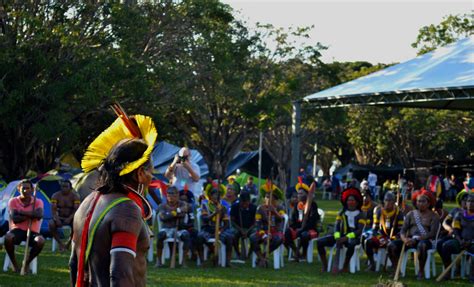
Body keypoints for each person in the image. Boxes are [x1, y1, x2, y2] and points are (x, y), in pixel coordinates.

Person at [70, 113, 157, 287]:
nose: (152, 176)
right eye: (150, 171)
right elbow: (120, 275)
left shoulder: (88, 201)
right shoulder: (127, 210)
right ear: (139, 173)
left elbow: (74, 264)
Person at [317, 187, 365, 273]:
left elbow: (359, 230)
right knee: (320, 242)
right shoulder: (342, 212)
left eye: (352, 200)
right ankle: (325, 265)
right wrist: (337, 236)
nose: (350, 202)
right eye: (348, 200)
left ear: (357, 202)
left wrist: (347, 237)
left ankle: (345, 266)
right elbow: (337, 226)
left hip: (353, 238)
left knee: (351, 243)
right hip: (340, 236)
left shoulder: (360, 214)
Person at [4, 179, 45, 273]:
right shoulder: (13, 201)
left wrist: (21, 212)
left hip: (33, 231)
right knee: (8, 237)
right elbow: (15, 219)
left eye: (28, 188)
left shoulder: (38, 202)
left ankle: (26, 263)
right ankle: (14, 264)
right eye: (23, 188)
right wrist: (32, 214)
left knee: (40, 241)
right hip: (17, 230)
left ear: (32, 190)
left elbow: (39, 215)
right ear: (19, 189)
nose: (26, 190)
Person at [399, 190, 440, 280]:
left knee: (422, 246)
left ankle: (421, 271)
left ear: (429, 203)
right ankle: (396, 270)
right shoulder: (410, 214)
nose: (420, 203)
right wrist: (404, 239)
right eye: (418, 201)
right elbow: (403, 230)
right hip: (409, 241)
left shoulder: (434, 216)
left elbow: (432, 233)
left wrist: (417, 239)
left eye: (423, 201)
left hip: (426, 241)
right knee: (392, 246)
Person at [439, 193, 474, 283]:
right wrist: (460, 241)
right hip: (460, 241)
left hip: (472, 243)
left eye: (473, 202)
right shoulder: (459, 214)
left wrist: (470, 242)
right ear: (465, 203)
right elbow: (456, 230)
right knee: (446, 246)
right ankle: (448, 271)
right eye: (469, 201)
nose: (471, 203)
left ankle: (472, 275)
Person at [196, 183, 234, 267]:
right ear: (210, 196)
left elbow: (227, 223)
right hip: (208, 229)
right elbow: (204, 219)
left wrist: (221, 231)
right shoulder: (205, 205)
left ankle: (228, 262)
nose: (216, 197)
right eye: (214, 195)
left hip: (220, 229)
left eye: (218, 195)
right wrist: (214, 213)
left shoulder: (223, 206)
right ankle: (202, 261)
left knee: (230, 237)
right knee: (199, 237)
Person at [364, 192, 404, 271]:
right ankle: (372, 264)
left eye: (390, 200)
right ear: (384, 201)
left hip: (395, 238)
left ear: (394, 202)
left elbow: (401, 231)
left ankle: (394, 267)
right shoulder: (379, 211)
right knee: (367, 242)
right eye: (386, 200)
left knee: (392, 245)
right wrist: (382, 239)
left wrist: (391, 239)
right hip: (382, 237)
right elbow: (375, 229)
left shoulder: (399, 213)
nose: (388, 202)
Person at [250, 182, 285, 267]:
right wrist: (264, 235)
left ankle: (264, 254)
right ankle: (261, 258)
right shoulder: (260, 208)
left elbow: (282, 219)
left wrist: (274, 211)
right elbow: (257, 223)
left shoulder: (280, 208)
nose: (268, 199)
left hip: (276, 231)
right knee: (252, 238)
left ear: (275, 199)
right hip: (263, 231)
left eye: (270, 197)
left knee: (279, 239)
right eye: (266, 197)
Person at [284, 180, 320, 261]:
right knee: (286, 233)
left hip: (311, 229)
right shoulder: (297, 204)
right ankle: (295, 251)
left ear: (307, 194)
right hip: (299, 228)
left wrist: (302, 228)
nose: (299, 195)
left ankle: (304, 254)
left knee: (304, 234)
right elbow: (294, 219)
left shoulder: (313, 205)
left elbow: (313, 221)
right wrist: (294, 227)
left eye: (301, 193)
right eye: (298, 193)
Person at [156, 186, 191, 267]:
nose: (171, 197)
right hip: (166, 228)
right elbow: (163, 217)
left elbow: (185, 208)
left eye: (173, 195)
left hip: (179, 228)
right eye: (169, 195)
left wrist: (169, 213)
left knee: (186, 235)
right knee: (160, 235)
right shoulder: (162, 206)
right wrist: (176, 212)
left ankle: (183, 262)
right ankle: (159, 261)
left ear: (178, 195)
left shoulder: (182, 203)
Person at [436, 189, 468, 266]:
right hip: (454, 235)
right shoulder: (455, 210)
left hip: (466, 238)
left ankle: (460, 265)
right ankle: (447, 265)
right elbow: (445, 222)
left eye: (469, 200)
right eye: (464, 200)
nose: (466, 202)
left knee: (447, 245)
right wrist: (450, 229)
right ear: (460, 201)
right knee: (440, 244)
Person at [48, 179, 80, 252]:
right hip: (59, 217)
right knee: (51, 224)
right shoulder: (55, 195)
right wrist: (57, 219)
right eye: (62, 186)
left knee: (77, 226)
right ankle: (60, 243)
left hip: (71, 218)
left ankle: (68, 244)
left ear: (70, 187)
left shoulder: (75, 196)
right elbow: (53, 210)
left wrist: (69, 218)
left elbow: (76, 210)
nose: (64, 188)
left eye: (66, 186)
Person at [230, 192, 256, 260]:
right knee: (233, 235)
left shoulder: (254, 208)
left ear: (249, 201)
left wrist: (247, 231)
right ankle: (238, 253)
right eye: (242, 203)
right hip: (238, 227)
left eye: (246, 203)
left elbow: (255, 223)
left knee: (255, 236)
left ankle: (250, 254)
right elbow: (232, 221)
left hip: (250, 228)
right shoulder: (234, 207)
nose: (244, 205)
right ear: (240, 201)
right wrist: (240, 230)